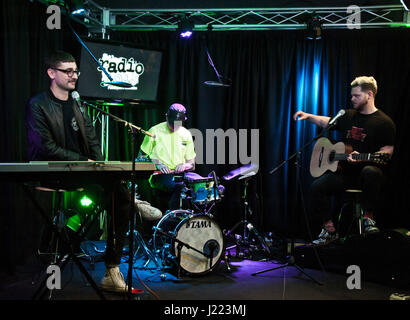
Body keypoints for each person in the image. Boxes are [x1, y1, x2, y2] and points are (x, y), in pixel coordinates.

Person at [25, 50, 132, 292]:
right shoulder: (38, 105)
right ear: (52, 73)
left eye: (76, 71)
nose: (74, 76)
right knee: (121, 197)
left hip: (82, 170)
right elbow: (45, 147)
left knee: (121, 198)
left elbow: (93, 140)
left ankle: (111, 269)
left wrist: (101, 165)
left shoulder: (77, 103)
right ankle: (129, 205)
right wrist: (84, 161)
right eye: (68, 71)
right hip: (53, 172)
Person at [293, 76, 396, 245]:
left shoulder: (384, 122)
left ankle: (368, 218)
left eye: (356, 95)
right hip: (346, 174)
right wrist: (308, 115)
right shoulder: (348, 116)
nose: (352, 98)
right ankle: (329, 230)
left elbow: (386, 152)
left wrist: (364, 159)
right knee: (317, 187)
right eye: (352, 95)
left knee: (371, 172)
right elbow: (326, 121)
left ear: (369, 94)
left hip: (366, 175)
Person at [139, 103, 196, 211]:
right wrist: (157, 164)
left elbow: (192, 164)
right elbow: (140, 158)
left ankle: (193, 221)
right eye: (172, 124)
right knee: (180, 186)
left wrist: (184, 165)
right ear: (166, 116)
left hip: (180, 174)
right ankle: (174, 219)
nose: (174, 127)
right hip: (159, 174)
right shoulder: (154, 131)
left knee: (202, 185)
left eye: (177, 124)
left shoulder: (186, 134)